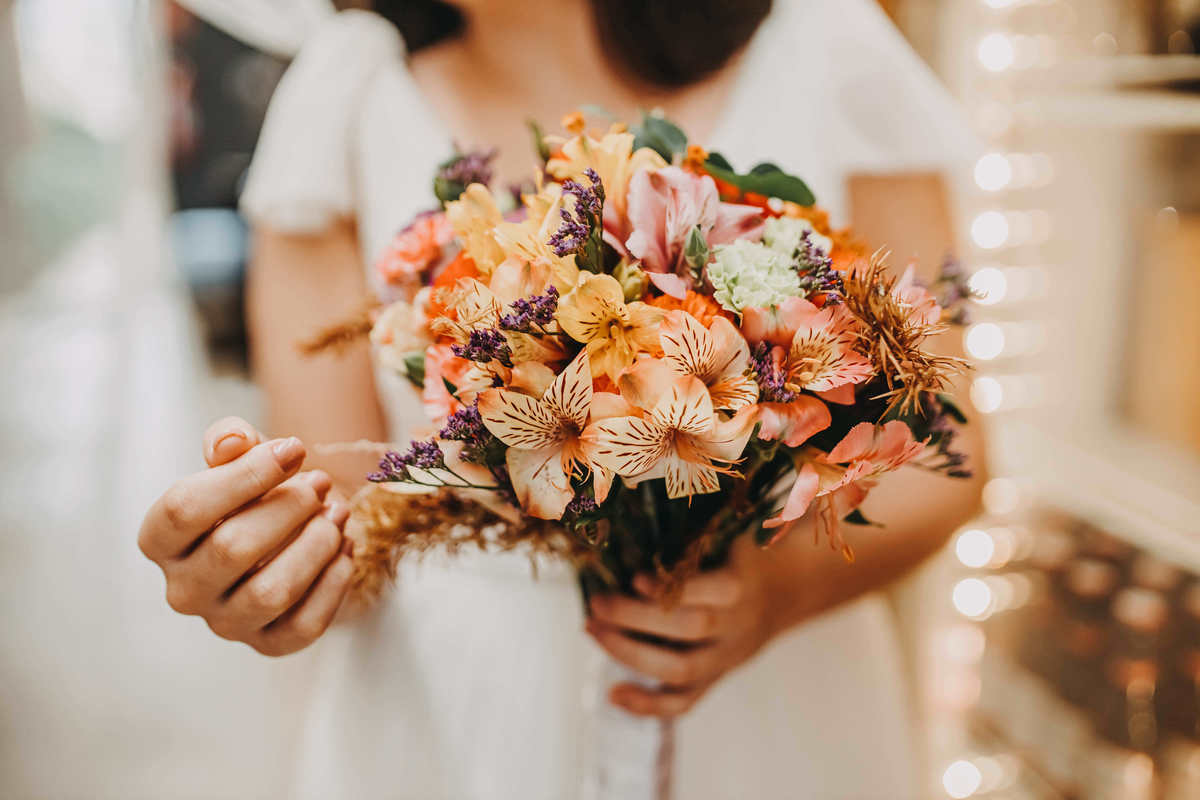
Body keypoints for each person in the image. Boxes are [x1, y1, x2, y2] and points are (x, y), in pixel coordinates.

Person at [139, 1, 986, 796]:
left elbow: (949, 453)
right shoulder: (347, 87)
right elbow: (347, 508)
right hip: (455, 715)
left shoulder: (824, 42)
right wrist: (263, 570)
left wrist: (772, 594)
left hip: (775, 710)